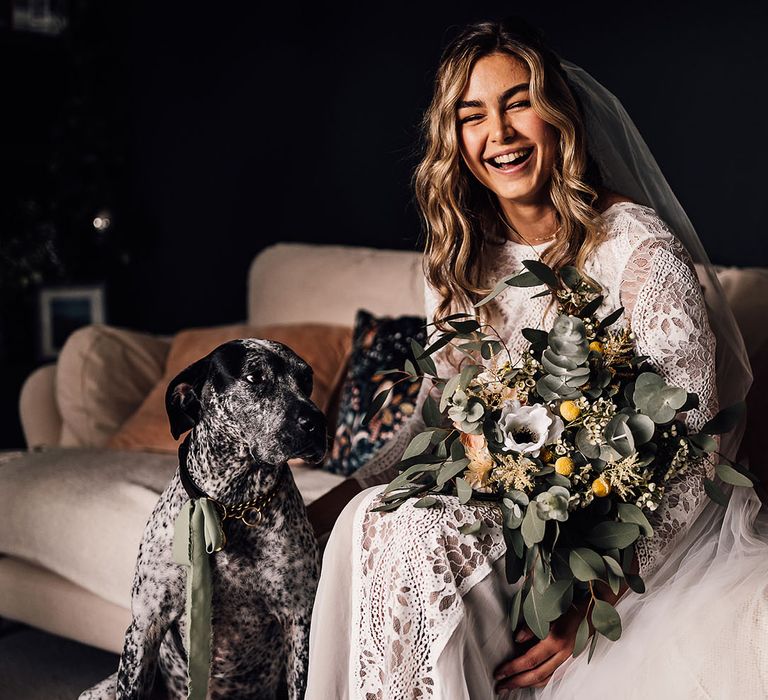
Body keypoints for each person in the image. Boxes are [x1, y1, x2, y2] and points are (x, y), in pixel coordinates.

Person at [305, 16, 768, 699]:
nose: (500, 134)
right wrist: (336, 495)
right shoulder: (459, 260)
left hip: (608, 537)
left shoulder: (637, 253)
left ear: (560, 116)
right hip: (506, 513)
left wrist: (594, 594)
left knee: (412, 534)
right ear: (454, 138)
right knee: (375, 517)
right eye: (473, 114)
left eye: (518, 102)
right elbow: (443, 415)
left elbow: (694, 446)